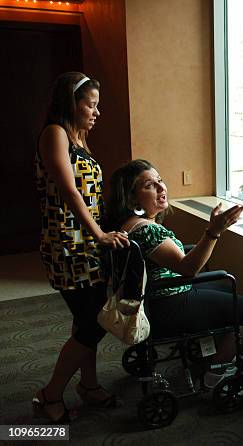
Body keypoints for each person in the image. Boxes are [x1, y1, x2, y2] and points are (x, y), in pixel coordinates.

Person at [33, 72, 130, 423]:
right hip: (67, 245)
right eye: (90, 104)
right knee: (94, 322)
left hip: (87, 244)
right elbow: (71, 191)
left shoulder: (80, 139)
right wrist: (99, 235)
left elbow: (91, 197)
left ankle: (88, 386)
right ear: (70, 103)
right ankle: (50, 393)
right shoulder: (55, 134)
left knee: (86, 320)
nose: (96, 112)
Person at [106, 159, 243, 385]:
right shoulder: (147, 231)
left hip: (153, 300)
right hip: (167, 304)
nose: (161, 188)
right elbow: (189, 268)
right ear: (132, 198)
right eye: (149, 185)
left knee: (224, 285)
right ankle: (217, 370)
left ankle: (203, 349)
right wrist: (213, 232)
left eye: (160, 181)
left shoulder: (128, 224)